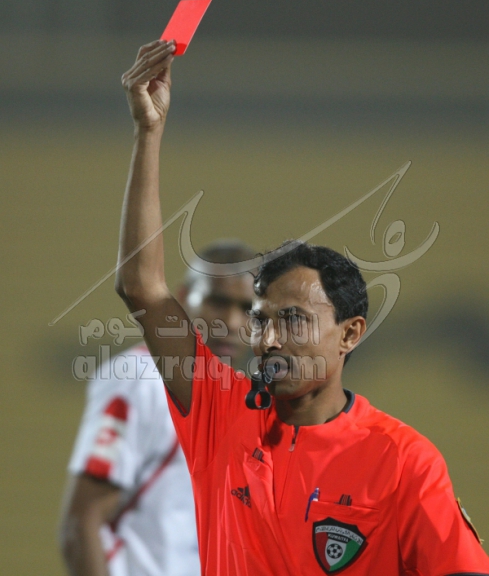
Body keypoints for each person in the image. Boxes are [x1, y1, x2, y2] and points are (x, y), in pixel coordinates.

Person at [115, 39, 489, 575]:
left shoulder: (403, 460)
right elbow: (141, 287)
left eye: (293, 320)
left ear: (350, 333)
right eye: (261, 320)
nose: (269, 339)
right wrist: (147, 131)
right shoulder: (217, 413)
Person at [59, 238, 256, 576]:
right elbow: (81, 523)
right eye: (218, 301)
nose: (233, 321)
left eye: (248, 309)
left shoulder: (239, 395)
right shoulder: (140, 378)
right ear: (183, 298)